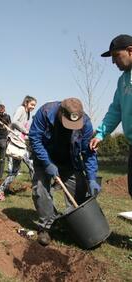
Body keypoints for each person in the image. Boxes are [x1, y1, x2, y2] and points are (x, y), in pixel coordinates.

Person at [29, 98, 100, 246]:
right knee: (40, 190)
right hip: (45, 157)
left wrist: (92, 178)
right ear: (61, 114)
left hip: (69, 160)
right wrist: (47, 163)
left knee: (79, 187)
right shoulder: (45, 112)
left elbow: (88, 152)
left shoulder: (85, 123)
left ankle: (76, 225)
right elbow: (35, 138)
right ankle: (46, 226)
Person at [90, 34, 132, 199]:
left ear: (130, 51)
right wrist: (100, 134)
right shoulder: (122, 81)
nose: (114, 62)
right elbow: (116, 110)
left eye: (116, 56)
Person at [0, 96, 37, 201]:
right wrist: (25, 131)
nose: (33, 107)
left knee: (15, 172)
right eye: (32, 104)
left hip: (20, 143)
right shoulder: (21, 109)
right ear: (26, 103)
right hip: (16, 143)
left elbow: (21, 128)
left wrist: (26, 135)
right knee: (31, 165)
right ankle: (37, 191)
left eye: (34, 105)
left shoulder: (28, 113)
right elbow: (15, 121)